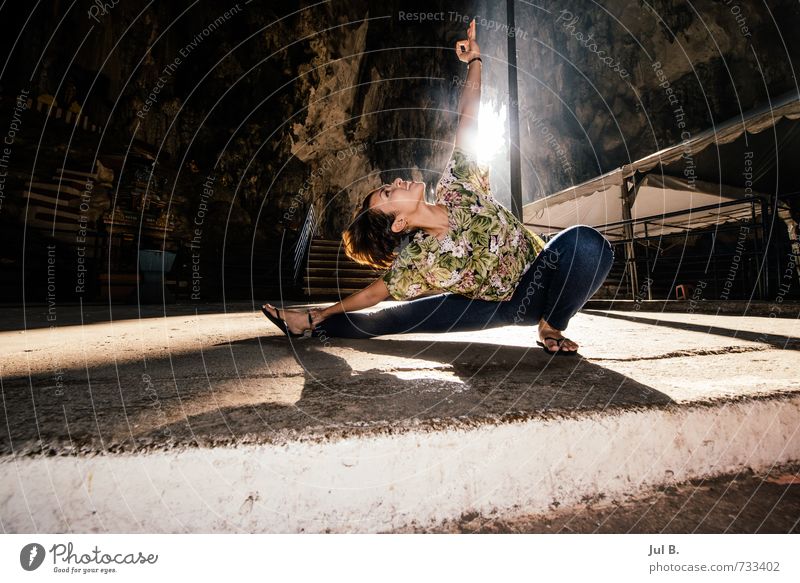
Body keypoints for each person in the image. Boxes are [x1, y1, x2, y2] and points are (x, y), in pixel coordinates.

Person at [262, 19, 613, 354]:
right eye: (388, 193)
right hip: (501, 305)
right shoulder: (418, 259)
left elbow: (467, 118)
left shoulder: (456, 185)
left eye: (387, 185)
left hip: (543, 273)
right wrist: (318, 314)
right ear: (399, 223)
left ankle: (551, 322)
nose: (396, 182)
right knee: (391, 320)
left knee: (588, 244)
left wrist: (475, 60)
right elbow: (372, 297)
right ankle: (306, 323)